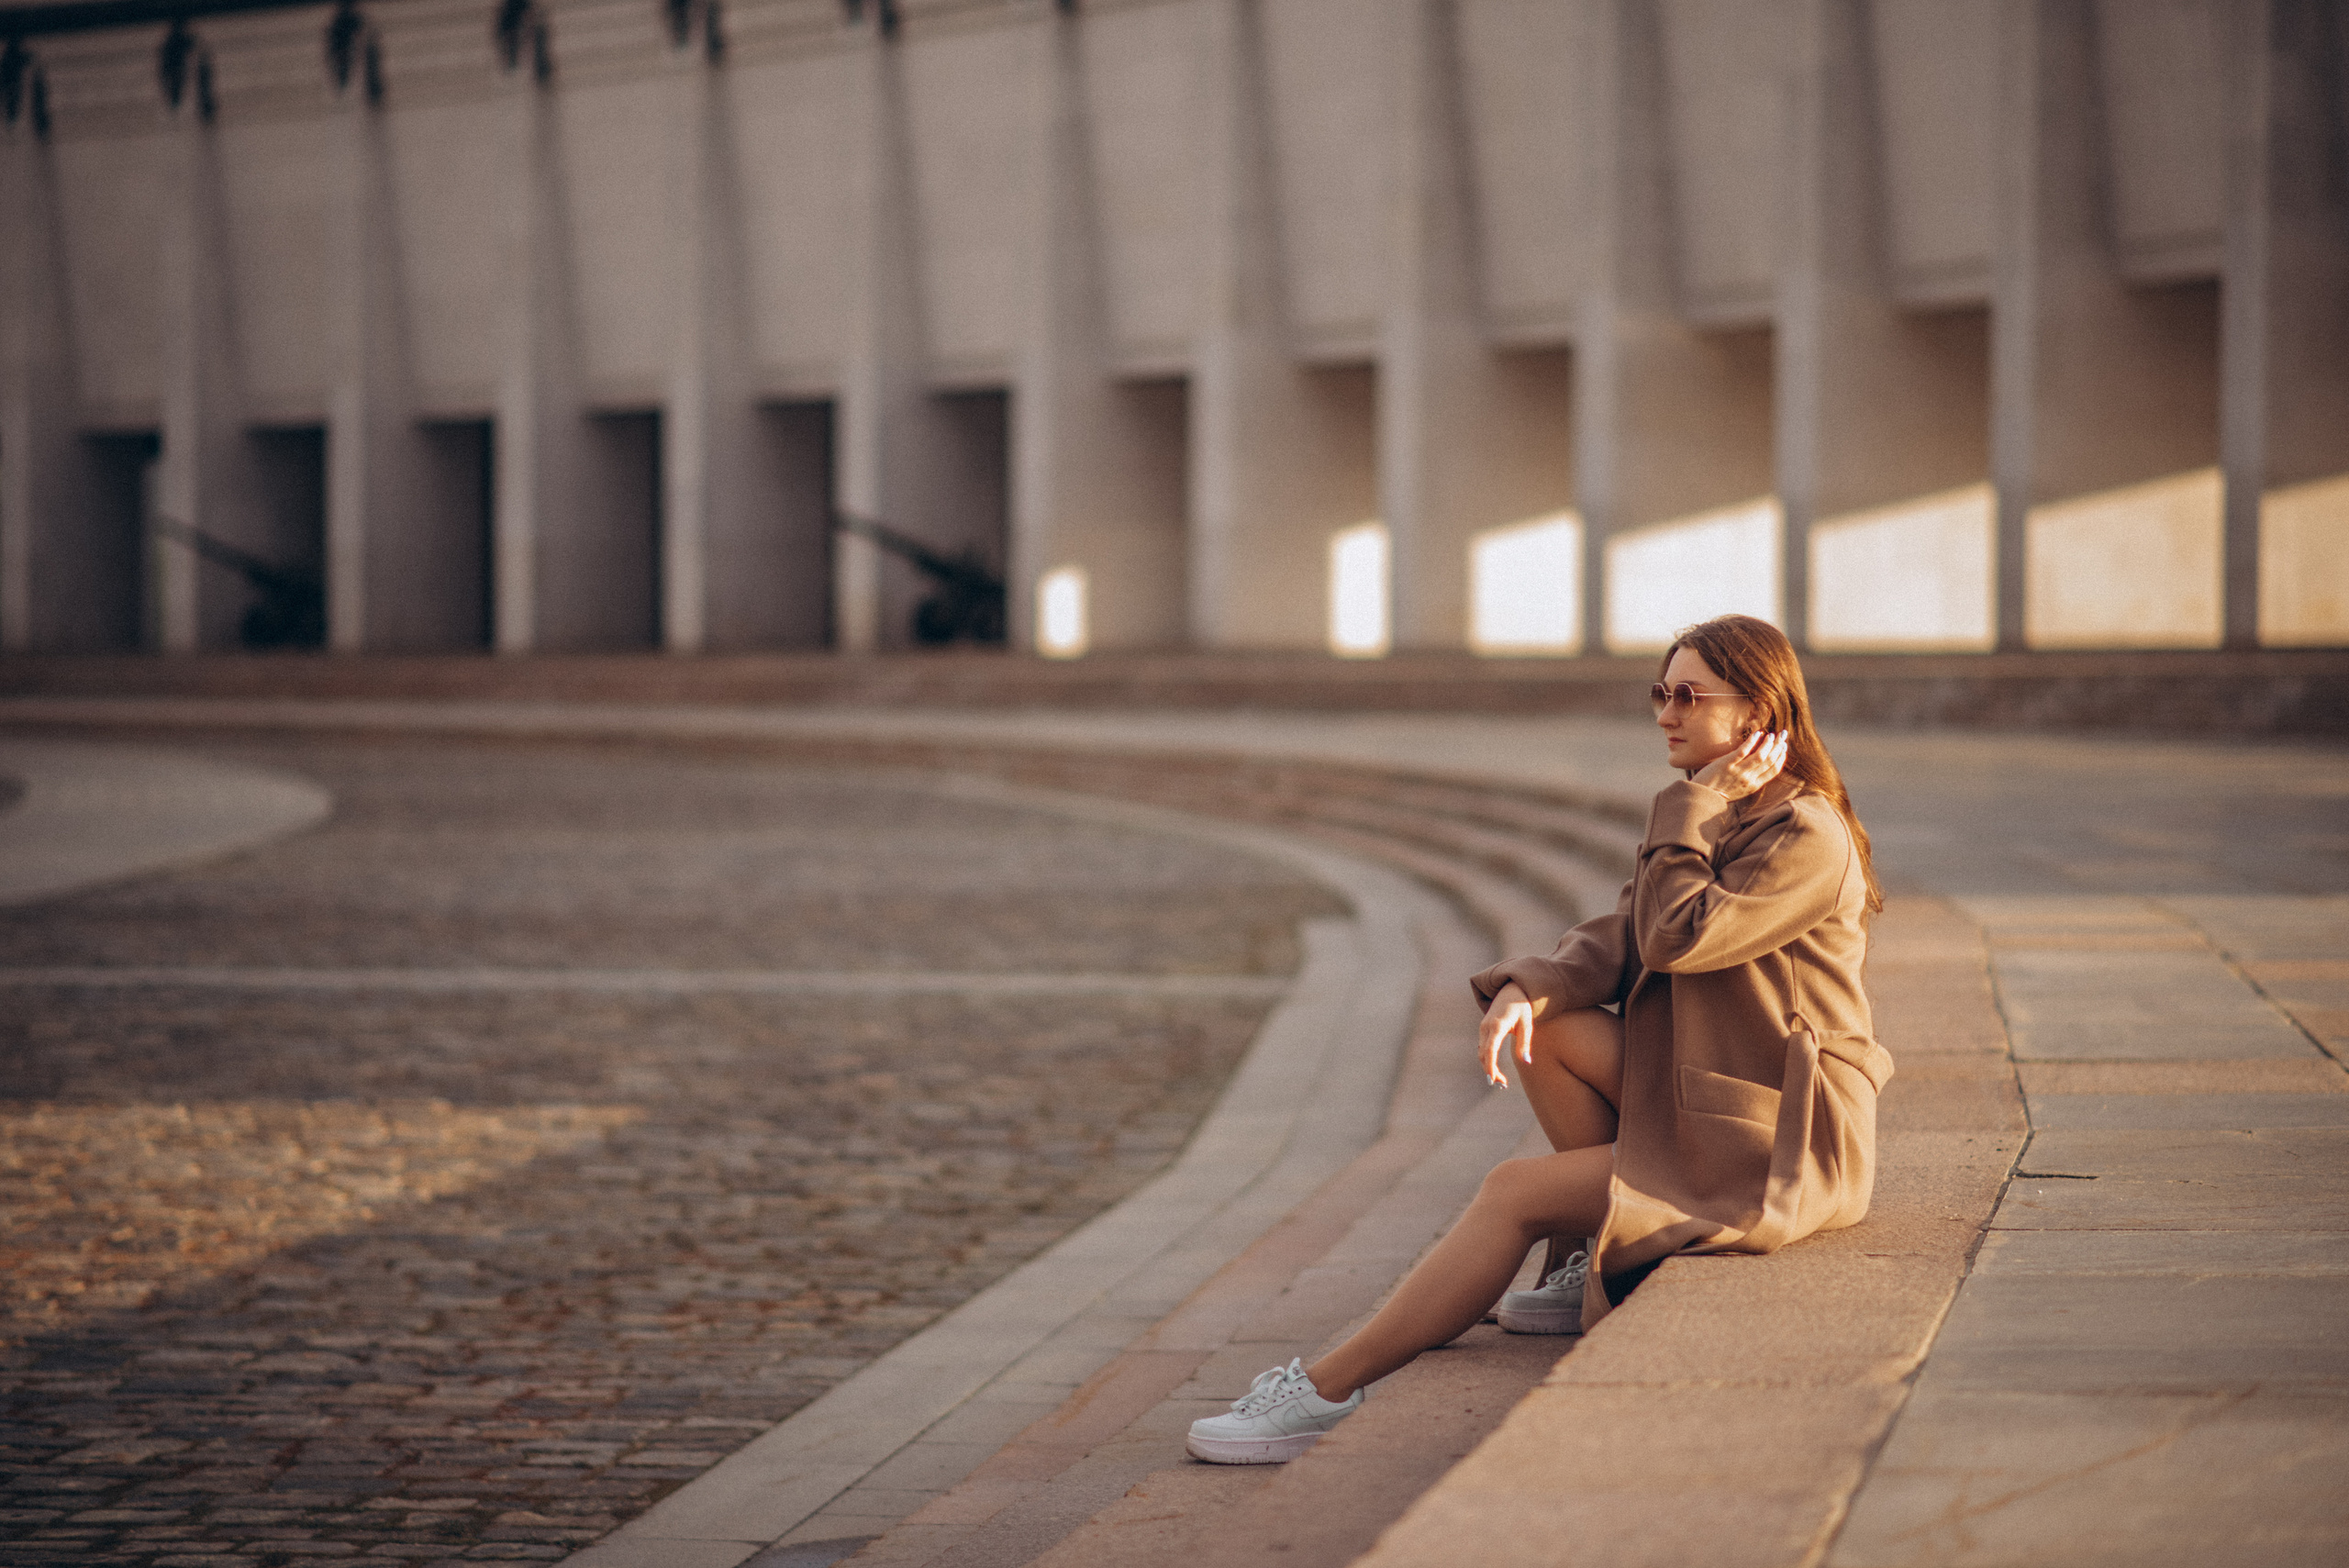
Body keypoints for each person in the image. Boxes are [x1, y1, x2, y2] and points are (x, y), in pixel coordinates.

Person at [1186, 614, 1891, 1464]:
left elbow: (1679, 937)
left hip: (1780, 1133)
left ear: (1756, 714)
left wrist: (1690, 805)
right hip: (1708, 1091)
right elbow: (1625, 931)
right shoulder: (1721, 807)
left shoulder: (1804, 834)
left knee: (1513, 1189)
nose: (1665, 712)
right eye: (1658, 693)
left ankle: (1326, 1390)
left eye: (1688, 694)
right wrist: (1528, 987)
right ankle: (1596, 1243)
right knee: (1544, 1031)